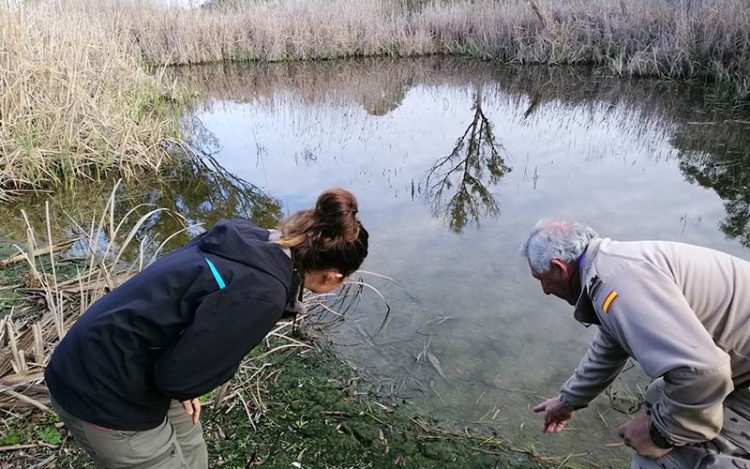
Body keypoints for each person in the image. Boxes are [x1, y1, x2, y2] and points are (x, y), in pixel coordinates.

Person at [44, 188, 369, 469]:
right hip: (101, 387)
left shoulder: (248, 238)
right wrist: (189, 380)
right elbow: (179, 379)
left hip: (117, 352)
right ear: (333, 277)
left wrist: (188, 379)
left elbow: (187, 332)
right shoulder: (263, 294)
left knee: (192, 447)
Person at [522, 220, 750, 468]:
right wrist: (568, 401)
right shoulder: (609, 268)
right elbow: (610, 346)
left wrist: (659, 434)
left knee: (654, 462)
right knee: (659, 394)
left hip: (723, 372)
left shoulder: (617, 282)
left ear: (559, 268)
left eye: (541, 279)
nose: (544, 290)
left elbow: (704, 373)